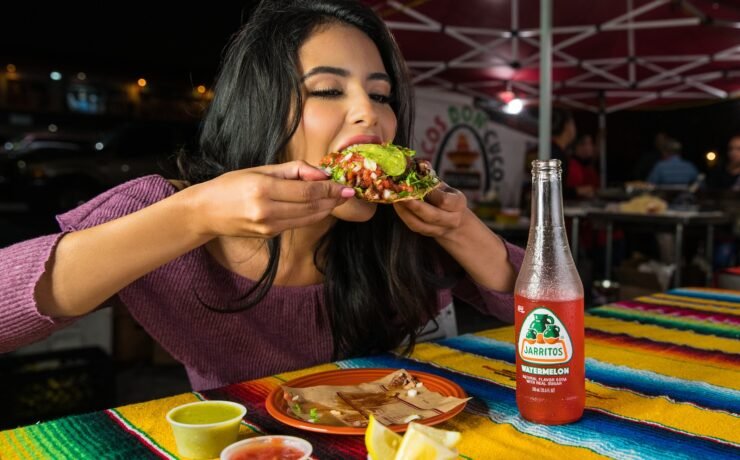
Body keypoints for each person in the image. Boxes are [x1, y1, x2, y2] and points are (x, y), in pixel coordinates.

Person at [0, 0, 522, 391]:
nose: (371, 114)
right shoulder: (170, 210)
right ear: (262, 110)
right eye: (327, 90)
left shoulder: (403, 225)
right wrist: (195, 216)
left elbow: (555, 322)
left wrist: (459, 228)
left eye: (381, 95)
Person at [565, 133, 599, 200]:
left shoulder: (589, 167)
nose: (588, 147)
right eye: (583, 144)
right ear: (575, 147)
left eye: (590, 143)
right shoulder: (573, 166)